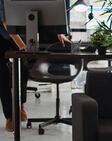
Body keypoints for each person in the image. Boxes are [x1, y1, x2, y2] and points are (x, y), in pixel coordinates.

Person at [0, 0, 70, 132]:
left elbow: (44, 14)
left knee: (23, 68)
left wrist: (59, 33)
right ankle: (9, 117)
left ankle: (20, 105)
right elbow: (6, 22)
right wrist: (22, 45)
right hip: (2, 34)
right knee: (2, 75)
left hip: (20, 30)